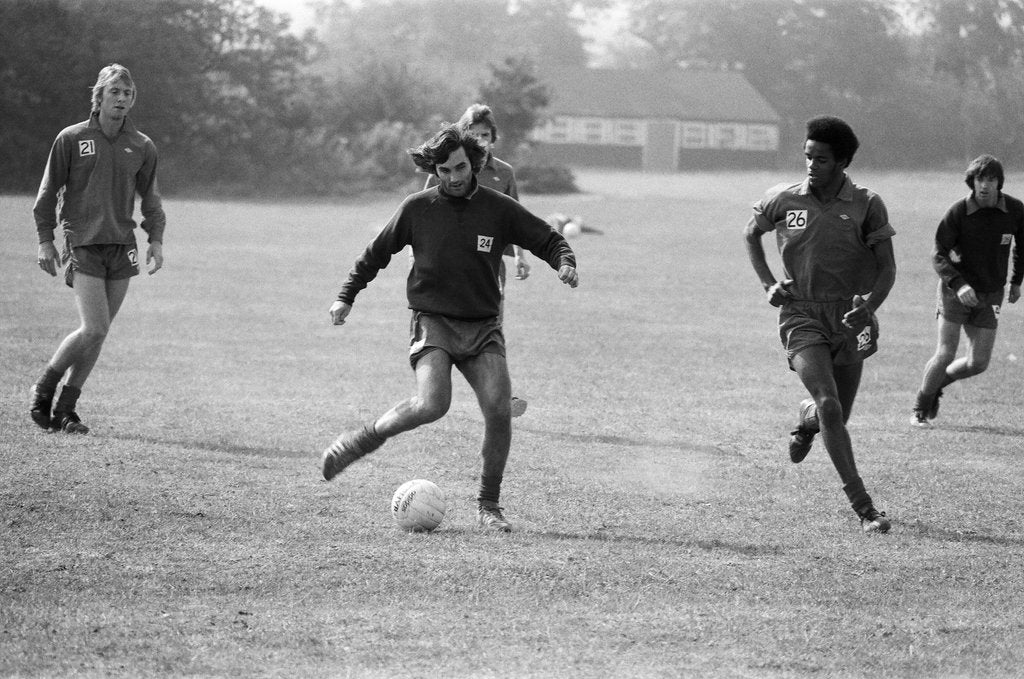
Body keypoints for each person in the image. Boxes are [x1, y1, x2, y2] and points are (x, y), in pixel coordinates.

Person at [322, 124, 579, 533]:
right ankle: (361, 441)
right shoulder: (417, 208)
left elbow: (545, 238)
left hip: (482, 326)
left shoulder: (497, 208)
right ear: (434, 170)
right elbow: (375, 254)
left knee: (498, 410)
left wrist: (564, 261)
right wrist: (346, 296)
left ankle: (488, 507)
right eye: (445, 170)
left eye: (460, 167)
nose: (455, 177)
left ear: (472, 162)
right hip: (434, 321)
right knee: (432, 404)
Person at [743, 115, 896, 534]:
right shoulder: (784, 199)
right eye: (808, 156)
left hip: (850, 316)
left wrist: (870, 306)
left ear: (843, 162)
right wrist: (768, 284)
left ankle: (807, 420)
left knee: (835, 416)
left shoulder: (866, 204)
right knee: (830, 403)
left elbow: (887, 269)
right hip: (801, 314)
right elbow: (749, 234)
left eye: (822, 159)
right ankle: (865, 509)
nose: (812, 165)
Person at [30, 63, 166, 434]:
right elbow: (46, 195)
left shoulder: (141, 145)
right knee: (94, 327)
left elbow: (150, 198)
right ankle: (43, 390)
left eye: (128, 94)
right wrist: (45, 240)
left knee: (100, 332)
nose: (122, 99)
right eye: (115, 93)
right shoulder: (71, 139)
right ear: (100, 96)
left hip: (123, 245)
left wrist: (155, 238)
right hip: (83, 240)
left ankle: (66, 410)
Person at [424, 103, 530, 417]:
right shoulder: (447, 166)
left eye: (485, 134)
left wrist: (520, 256)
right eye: (474, 133)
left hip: (489, 268)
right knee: (444, 332)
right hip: (449, 267)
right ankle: (433, 390)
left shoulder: (504, 173)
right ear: (463, 135)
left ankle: (500, 398)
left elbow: (515, 219)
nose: (480, 140)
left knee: (492, 331)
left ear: (493, 137)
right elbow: (424, 212)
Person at [912, 154, 1023, 426]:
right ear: (971, 182)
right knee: (946, 352)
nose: (985, 185)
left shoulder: (1015, 210)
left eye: (991, 179)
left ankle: (937, 385)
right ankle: (919, 409)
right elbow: (938, 254)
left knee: (978, 363)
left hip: (991, 292)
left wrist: (1016, 281)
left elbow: (1023, 245)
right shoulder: (959, 212)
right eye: (979, 179)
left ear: (999, 182)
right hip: (955, 291)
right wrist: (959, 285)